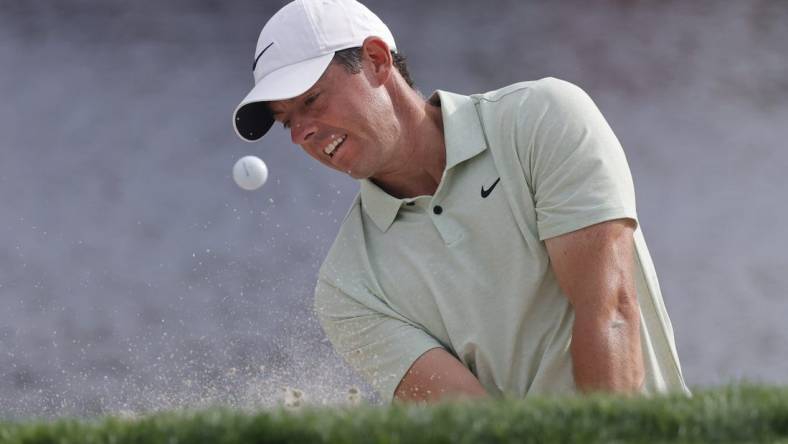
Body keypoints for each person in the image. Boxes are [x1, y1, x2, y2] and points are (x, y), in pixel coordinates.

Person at [232, 0, 690, 404]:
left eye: (311, 99)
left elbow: (609, 315)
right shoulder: (347, 288)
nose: (300, 134)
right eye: (285, 121)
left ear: (375, 60)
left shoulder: (542, 119)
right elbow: (475, 426)